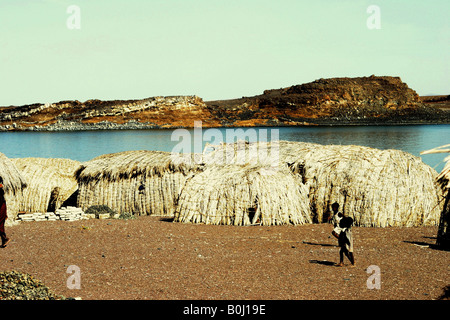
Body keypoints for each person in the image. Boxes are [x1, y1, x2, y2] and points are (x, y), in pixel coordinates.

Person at [0, 184, 10, 248]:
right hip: (2, 209)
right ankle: (4, 239)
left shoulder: (0, 194)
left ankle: (4, 239)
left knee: (0, 225)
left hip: (1, 209)